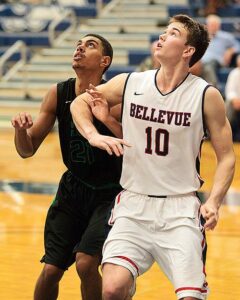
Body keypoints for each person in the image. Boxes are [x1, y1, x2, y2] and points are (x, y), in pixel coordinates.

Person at [70, 14, 236, 300]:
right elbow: (81, 102)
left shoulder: (206, 95)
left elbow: (228, 157)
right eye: (164, 31)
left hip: (180, 209)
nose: (161, 37)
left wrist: (215, 202)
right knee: (112, 289)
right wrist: (93, 134)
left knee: (191, 297)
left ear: (187, 51)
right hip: (134, 204)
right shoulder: (130, 82)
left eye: (172, 33)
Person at [11, 33, 123, 300]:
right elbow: (27, 150)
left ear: (104, 61)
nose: (80, 48)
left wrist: (106, 120)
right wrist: (20, 131)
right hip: (72, 190)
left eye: (89, 45)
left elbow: (135, 148)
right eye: (78, 45)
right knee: (51, 269)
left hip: (108, 194)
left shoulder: (116, 99)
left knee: (86, 263)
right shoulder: (57, 93)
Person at [190, 14, 240, 87]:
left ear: (219, 26)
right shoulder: (201, 37)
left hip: (216, 61)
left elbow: (237, 45)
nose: (214, 27)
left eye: (215, 25)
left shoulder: (225, 37)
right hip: (201, 62)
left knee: (208, 66)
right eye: (212, 25)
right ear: (207, 25)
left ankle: (213, 87)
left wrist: (230, 51)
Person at [225, 53, 240, 141]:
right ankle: (224, 134)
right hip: (236, 103)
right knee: (228, 105)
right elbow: (229, 91)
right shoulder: (234, 73)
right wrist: (234, 100)